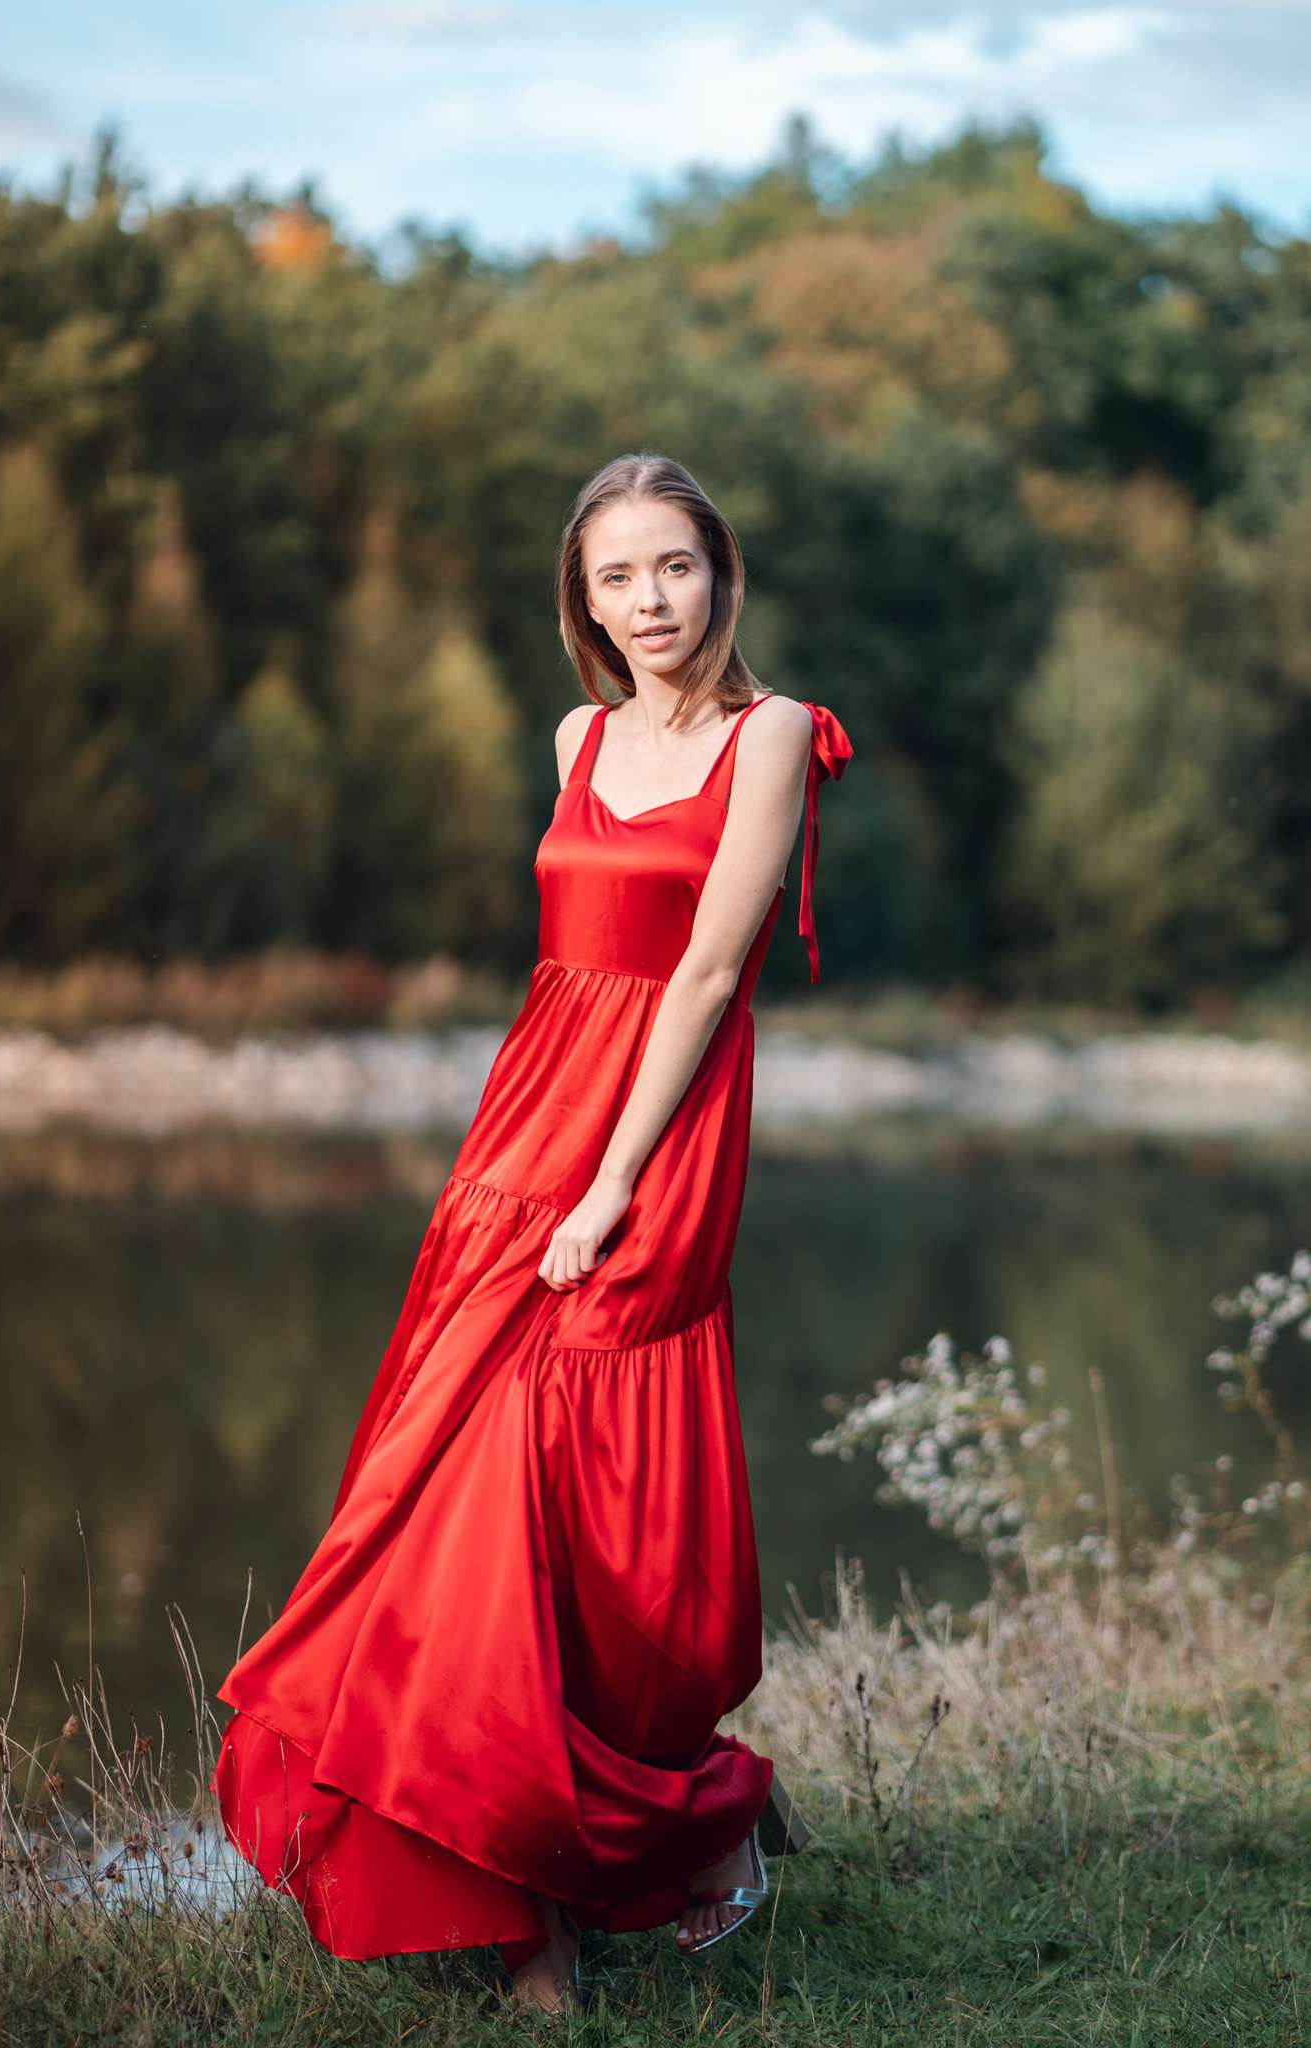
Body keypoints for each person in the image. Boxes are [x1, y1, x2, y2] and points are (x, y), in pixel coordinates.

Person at [213, 450, 852, 2014]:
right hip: (524, 1133)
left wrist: (614, 1183)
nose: (649, 602)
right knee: (456, 1488)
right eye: (615, 576)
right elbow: (565, 969)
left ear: (725, 574)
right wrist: (542, 1172)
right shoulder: (573, 735)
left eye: (676, 568)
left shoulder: (771, 738)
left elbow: (703, 977)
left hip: (656, 1135)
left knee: (587, 1485)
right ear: (581, 600)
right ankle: (532, 1914)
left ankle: (684, 1810)